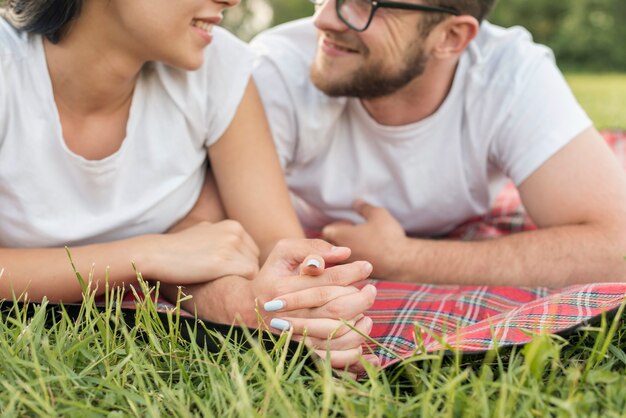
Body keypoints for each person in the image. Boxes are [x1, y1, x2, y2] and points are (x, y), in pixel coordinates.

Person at [0, 0, 378, 370]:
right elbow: (179, 254)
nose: (232, 1)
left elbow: (268, 245)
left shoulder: (219, 67)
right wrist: (148, 255)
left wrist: (294, 303)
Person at [250, 0, 626, 287]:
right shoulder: (275, 70)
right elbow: (220, 233)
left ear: (450, 37)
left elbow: (616, 247)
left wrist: (404, 258)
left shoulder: (508, 75)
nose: (324, 19)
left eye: (366, 3)